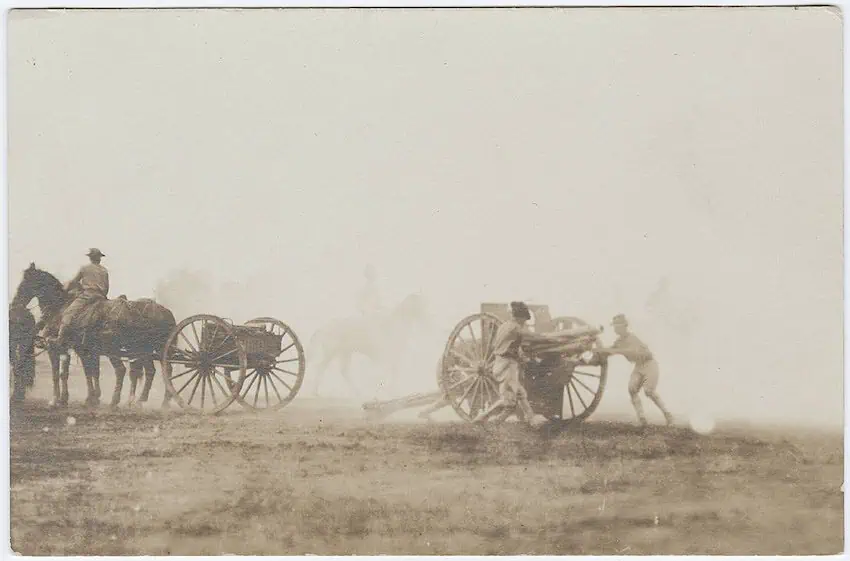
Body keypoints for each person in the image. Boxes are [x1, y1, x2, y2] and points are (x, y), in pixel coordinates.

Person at [472, 301, 558, 426]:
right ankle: (531, 420)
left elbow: (509, 345)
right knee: (518, 394)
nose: (525, 322)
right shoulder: (515, 327)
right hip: (507, 365)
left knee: (511, 401)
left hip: (501, 364)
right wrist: (553, 338)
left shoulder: (504, 326)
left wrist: (522, 357)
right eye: (524, 319)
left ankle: (492, 421)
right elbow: (533, 337)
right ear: (520, 317)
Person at [594, 314, 674, 426]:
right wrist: (598, 352)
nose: (616, 329)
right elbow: (610, 351)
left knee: (648, 391)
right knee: (632, 389)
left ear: (624, 327)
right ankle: (642, 419)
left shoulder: (632, 338)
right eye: (615, 327)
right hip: (639, 366)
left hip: (649, 364)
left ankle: (668, 415)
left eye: (618, 326)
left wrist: (614, 351)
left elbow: (630, 351)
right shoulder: (619, 341)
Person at [49, 248, 110, 349]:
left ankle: (60, 339)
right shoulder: (104, 270)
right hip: (102, 297)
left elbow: (74, 282)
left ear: (90, 258)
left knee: (68, 313)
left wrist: (66, 289)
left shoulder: (84, 268)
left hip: (88, 296)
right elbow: (107, 287)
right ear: (99, 258)